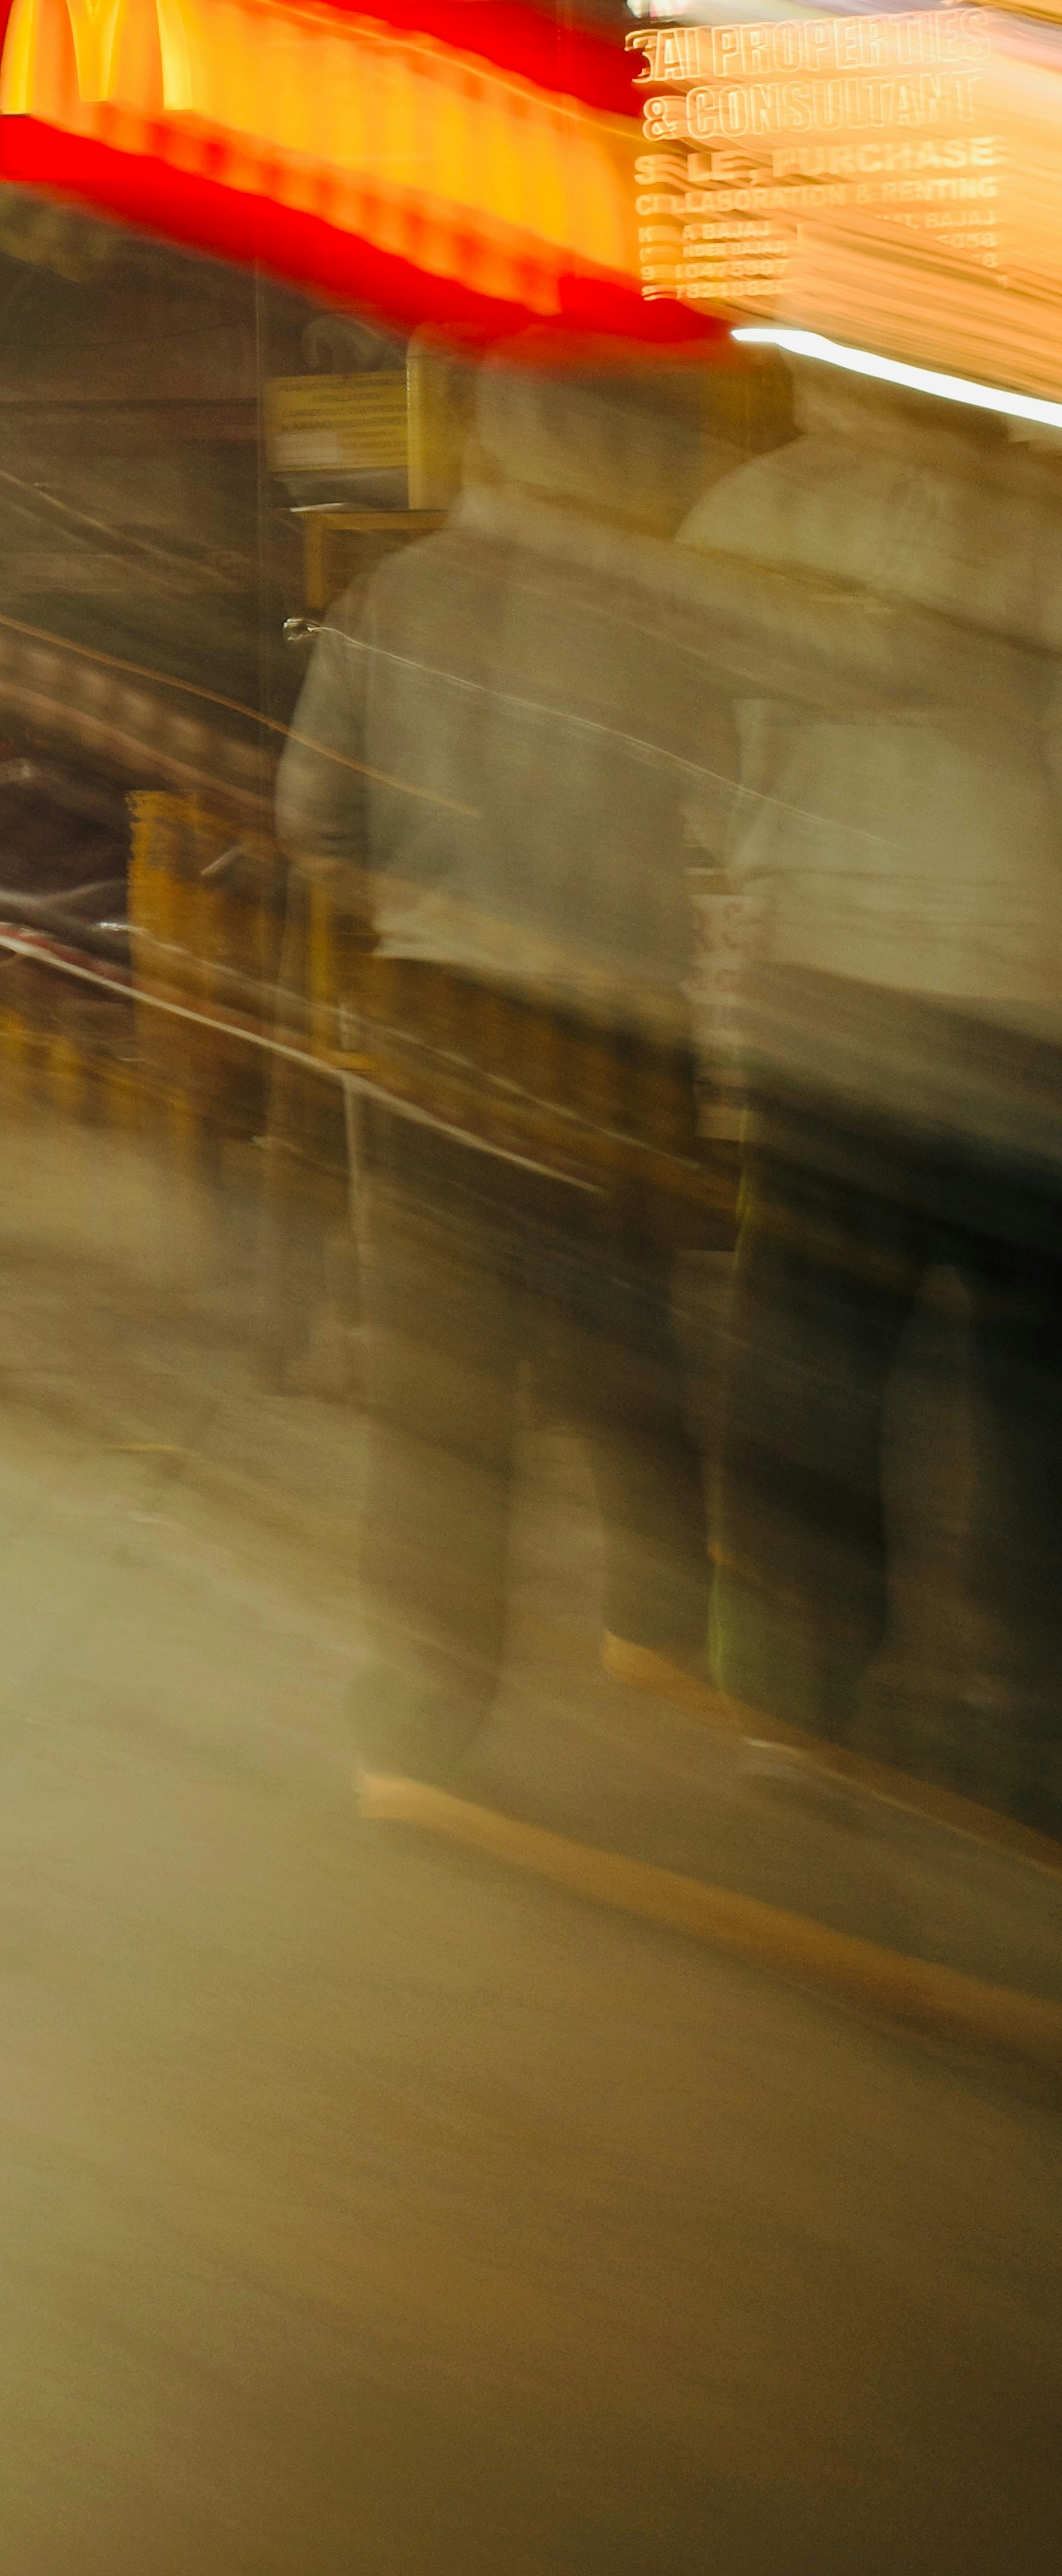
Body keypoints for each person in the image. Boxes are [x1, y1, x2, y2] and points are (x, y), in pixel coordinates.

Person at [276, 346, 728, 1800]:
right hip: (623, 1031)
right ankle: (669, 1636)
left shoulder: (395, 602)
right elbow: (731, 835)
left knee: (441, 1375)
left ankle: (429, 1690)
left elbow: (313, 820)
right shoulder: (675, 623)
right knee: (635, 1348)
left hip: (441, 1026)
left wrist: (412, 915)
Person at [680, 368, 1062, 1830]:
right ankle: (1032, 1719)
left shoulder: (753, 509)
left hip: (823, 1000)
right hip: (1024, 1006)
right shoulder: (1040, 520)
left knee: (812, 1358)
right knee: (1030, 1389)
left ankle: (792, 1700)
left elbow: (705, 768)